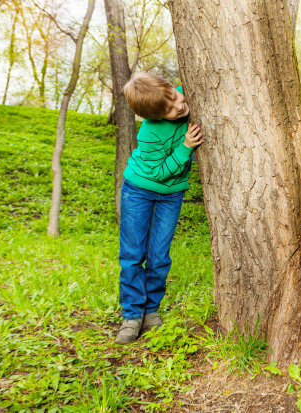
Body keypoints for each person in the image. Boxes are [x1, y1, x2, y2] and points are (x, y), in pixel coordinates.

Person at [115, 72, 204, 345]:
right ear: (155, 116)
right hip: (139, 191)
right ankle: (131, 315)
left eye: (176, 97)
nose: (179, 105)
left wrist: (179, 92)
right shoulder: (150, 132)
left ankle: (151, 310)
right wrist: (185, 148)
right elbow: (162, 171)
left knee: (159, 256)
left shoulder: (176, 93)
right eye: (169, 109)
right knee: (132, 255)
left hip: (171, 195)